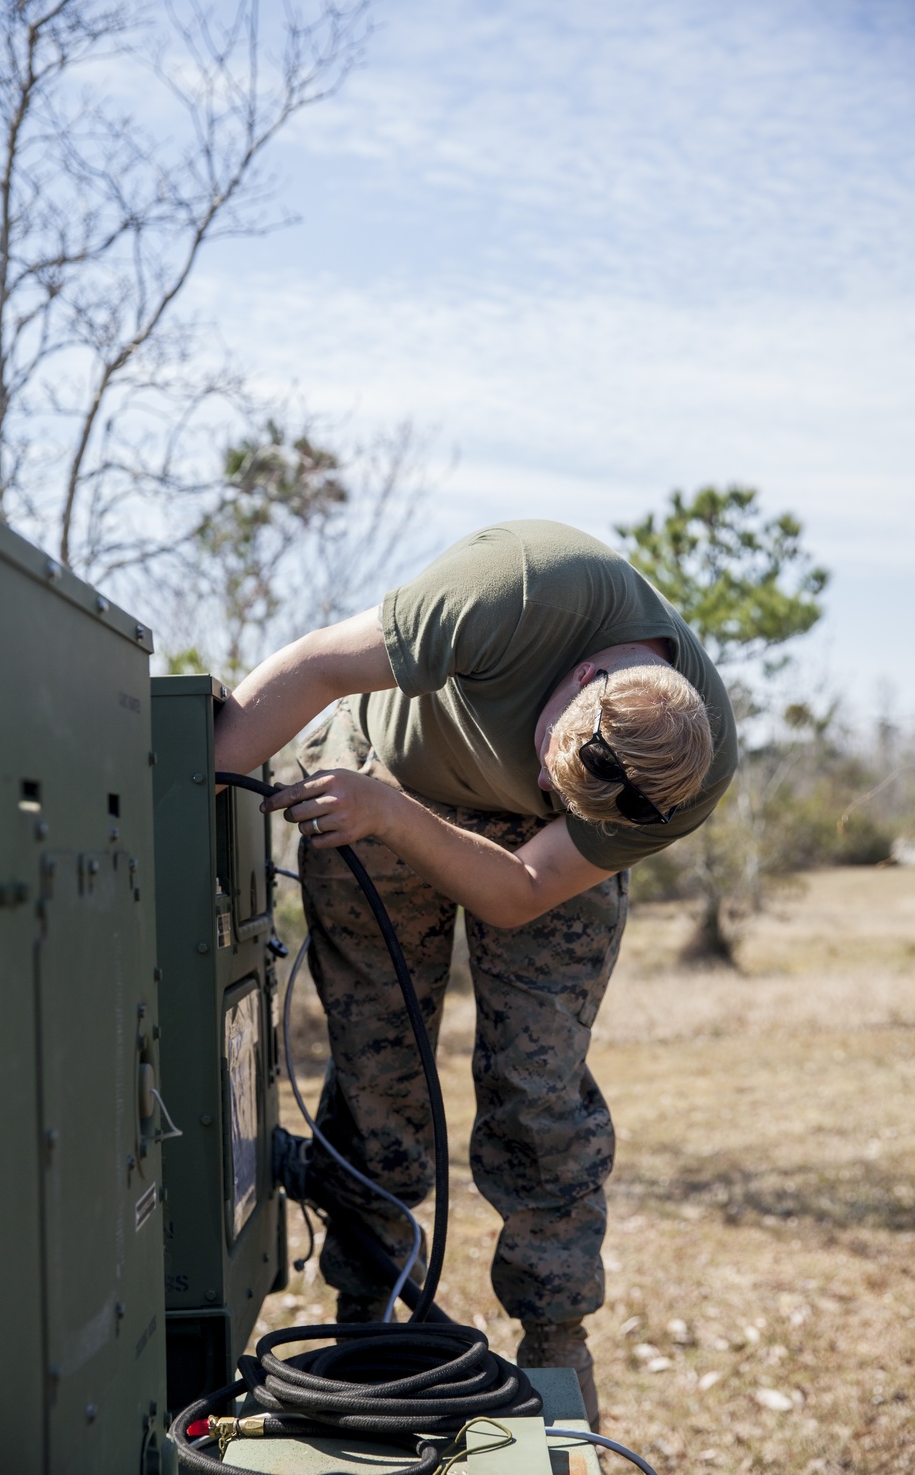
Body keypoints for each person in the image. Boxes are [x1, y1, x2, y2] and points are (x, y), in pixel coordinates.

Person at [214, 519, 737, 1428]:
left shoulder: (680, 775)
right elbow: (318, 668)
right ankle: (365, 1320)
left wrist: (412, 820)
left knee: (538, 1088)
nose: (536, 784)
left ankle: (555, 1336)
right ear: (580, 678)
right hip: (378, 771)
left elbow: (526, 885)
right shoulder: (521, 588)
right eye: (550, 767)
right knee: (381, 1074)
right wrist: (184, 791)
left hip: (499, 859)